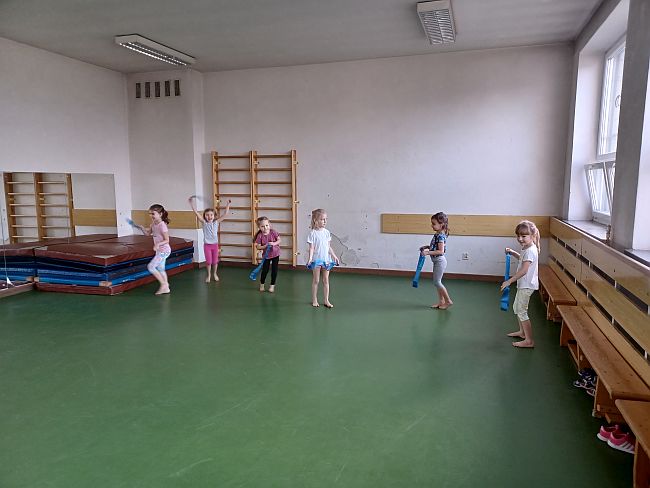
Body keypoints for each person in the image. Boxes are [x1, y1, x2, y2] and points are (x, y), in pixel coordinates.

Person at [501, 220, 540, 348]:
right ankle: (522, 333)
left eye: (523, 236)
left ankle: (529, 340)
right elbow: (523, 260)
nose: (520, 239)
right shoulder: (527, 247)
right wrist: (513, 253)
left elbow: (524, 270)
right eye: (518, 236)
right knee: (517, 308)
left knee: (522, 311)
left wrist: (509, 281)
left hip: (527, 285)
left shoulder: (530, 250)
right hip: (524, 284)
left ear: (532, 236)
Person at [189, 196, 231, 283]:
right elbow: (196, 213)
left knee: (215, 261)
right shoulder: (204, 223)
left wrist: (228, 204)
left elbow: (225, 214)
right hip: (207, 245)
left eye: (211, 215)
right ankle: (208, 275)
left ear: (214, 216)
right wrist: (192, 204)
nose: (209, 216)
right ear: (204, 216)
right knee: (208, 262)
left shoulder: (216, 222)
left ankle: (215, 274)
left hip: (215, 245)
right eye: (207, 215)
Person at [135, 204, 172, 295]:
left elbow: (167, 240)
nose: (151, 215)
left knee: (151, 267)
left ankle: (164, 285)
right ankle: (166, 288)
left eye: (153, 214)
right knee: (160, 268)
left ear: (160, 214)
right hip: (160, 251)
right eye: (150, 214)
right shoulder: (153, 224)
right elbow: (148, 234)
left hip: (164, 250)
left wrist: (158, 244)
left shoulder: (162, 225)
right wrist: (142, 229)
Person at [420, 212, 453, 309]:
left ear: (441, 224)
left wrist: (427, 253)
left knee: (437, 282)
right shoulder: (437, 234)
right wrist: (427, 247)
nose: (432, 225)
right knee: (436, 282)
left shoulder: (440, 236)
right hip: (436, 261)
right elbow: (435, 247)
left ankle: (448, 301)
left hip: (439, 261)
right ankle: (441, 301)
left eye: (434, 224)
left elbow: (440, 251)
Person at [307, 208, 339, 308]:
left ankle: (326, 300)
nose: (325, 221)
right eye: (322, 219)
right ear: (315, 220)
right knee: (316, 280)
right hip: (317, 260)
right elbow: (311, 248)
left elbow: (328, 247)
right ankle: (314, 299)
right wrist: (310, 258)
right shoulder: (312, 233)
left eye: (326, 219)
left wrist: (334, 256)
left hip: (326, 260)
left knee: (326, 280)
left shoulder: (327, 232)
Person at [254, 216, 281, 293]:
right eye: (262, 226)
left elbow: (279, 240)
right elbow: (258, 247)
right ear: (259, 227)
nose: (265, 228)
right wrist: (265, 246)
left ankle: (272, 286)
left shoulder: (273, 232)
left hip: (276, 254)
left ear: (269, 224)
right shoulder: (260, 236)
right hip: (266, 256)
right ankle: (262, 284)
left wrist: (274, 243)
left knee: (274, 271)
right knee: (265, 271)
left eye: (266, 225)